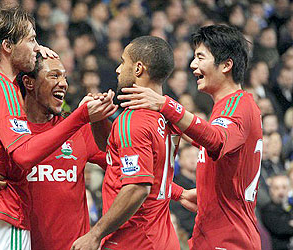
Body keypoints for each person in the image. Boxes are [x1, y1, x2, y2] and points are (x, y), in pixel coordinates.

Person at [0, 2, 117, 250]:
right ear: (7, 46)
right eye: (31, 40)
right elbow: (24, 155)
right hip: (1, 217)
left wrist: (30, 53)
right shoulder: (2, 89)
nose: (38, 47)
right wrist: (80, 116)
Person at [118, 24, 262, 249]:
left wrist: (166, 105)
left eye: (200, 57)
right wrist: (182, 193)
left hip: (229, 239)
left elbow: (215, 140)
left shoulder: (239, 104)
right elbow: (203, 138)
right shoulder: (226, 108)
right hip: (211, 233)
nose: (193, 65)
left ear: (226, 65)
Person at [71, 36, 196, 250]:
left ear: (138, 68)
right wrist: (99, 121)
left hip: (134, 241)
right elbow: (118, 155)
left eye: (123, 62)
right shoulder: (166, 115)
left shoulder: (132, 122)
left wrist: (94, 234)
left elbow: (138, 188)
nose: (118, 70)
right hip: (162, 238)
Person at [261, 174, 293, 250]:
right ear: (271, 190)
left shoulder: (290, 206)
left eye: (284, 187)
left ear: (289, 189)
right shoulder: (267, 210)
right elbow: (280, 229)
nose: (281, 191)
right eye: (276, 188)